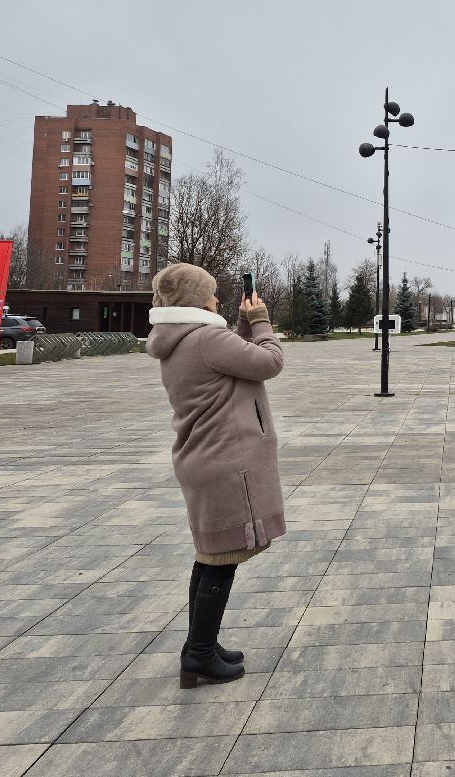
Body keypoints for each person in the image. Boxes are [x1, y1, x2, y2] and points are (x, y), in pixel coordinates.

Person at [147, 263, 286, 688]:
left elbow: (230, 362)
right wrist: (261, 324)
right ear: (194, 299)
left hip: (205, 459)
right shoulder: (206, 337)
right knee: (221, 561)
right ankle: (200, 655)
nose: (218, 299)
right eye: (210, 293)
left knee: (209, 557)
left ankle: (199, 645)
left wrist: (242, 328)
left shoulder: (184, 338)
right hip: (226, 461)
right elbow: (268, 362)